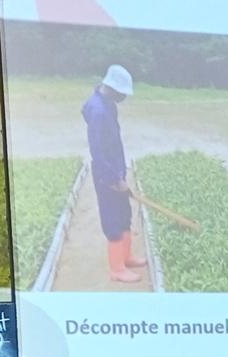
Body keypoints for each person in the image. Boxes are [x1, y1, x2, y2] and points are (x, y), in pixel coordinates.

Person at [83, 65, 147, 284]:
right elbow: (99, 152)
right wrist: (113, 179)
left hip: (116, 170)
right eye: (122, 93)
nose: (124, 98)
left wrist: (121, 175)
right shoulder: (98, 111)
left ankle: (127, 256)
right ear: (111, 87)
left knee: (124, 214)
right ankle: (117, 269)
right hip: (105, 174)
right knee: (112, 220)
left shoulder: (108, 105)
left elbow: (113, 145)